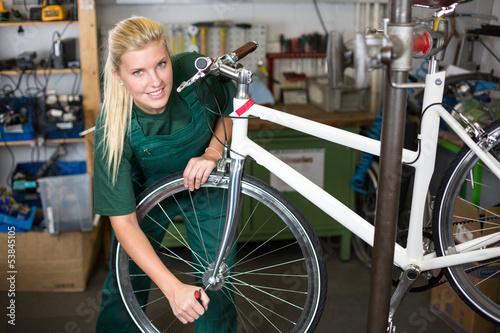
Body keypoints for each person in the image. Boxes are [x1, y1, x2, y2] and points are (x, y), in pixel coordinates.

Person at [93, 16, 237, 332]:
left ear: (170, 57)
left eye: (161, 64)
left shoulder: (195, 72)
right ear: (118, 76)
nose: (155, 81)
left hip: (206, 185)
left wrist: (212, 153)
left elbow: (230, 112)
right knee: (124, 281)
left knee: (219, 280)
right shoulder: (112, 128)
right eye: (138, 72)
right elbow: (124, 223)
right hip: (148, 194)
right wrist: (172, 288)